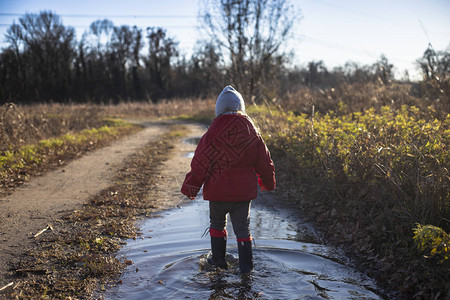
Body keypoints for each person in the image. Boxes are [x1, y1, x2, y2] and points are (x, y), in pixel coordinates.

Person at [181, 85, 276, 274]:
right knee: (243, 228)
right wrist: (268, 182)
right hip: (243, 194)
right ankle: (246, 269)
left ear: (218, 110)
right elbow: (265, 161)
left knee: (217, 225)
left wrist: (191, 187)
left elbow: (200, 163)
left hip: (217, 193)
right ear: (241, 107)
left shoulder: (212, 134)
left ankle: (218, 263)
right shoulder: (252, 132)